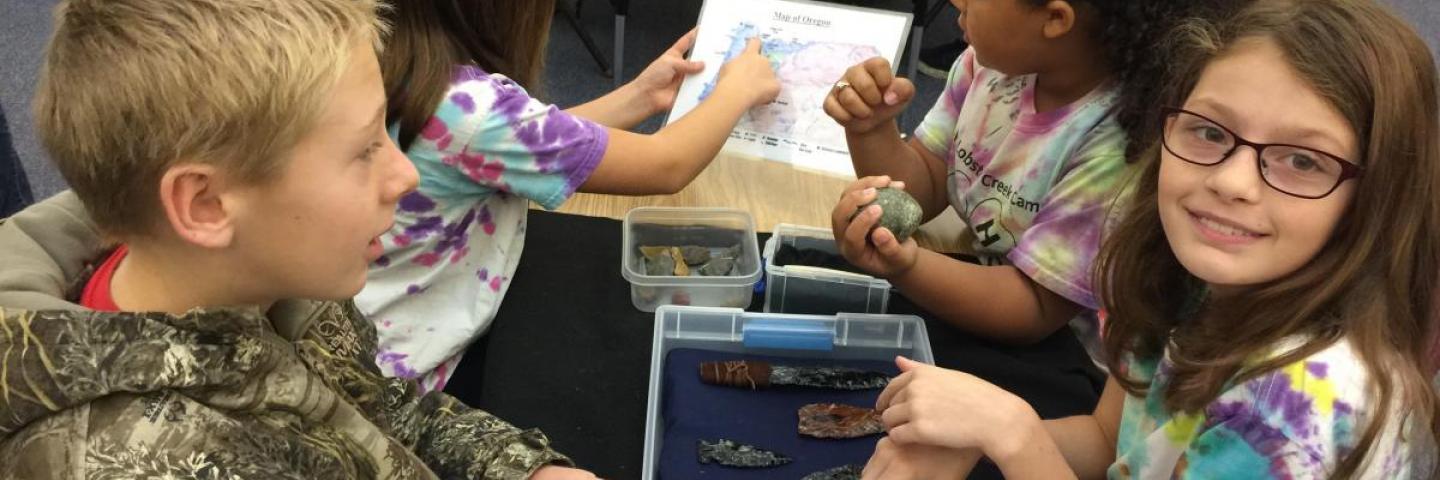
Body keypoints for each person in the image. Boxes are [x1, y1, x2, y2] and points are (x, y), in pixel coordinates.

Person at [0, 0, 599, 477]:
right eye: (365, 149)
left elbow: (383, 414)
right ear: (205, 206)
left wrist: (522, 468)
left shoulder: (280, 279)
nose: (405, 175)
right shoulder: (136, 461)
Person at [861, 0, 1440, 477]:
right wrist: (975, 439)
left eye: (1303, 161)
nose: (1231, 182)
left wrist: (1011, 434)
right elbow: (1109, 439)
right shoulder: (1185, 276)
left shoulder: (1288, 417)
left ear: (1379, 190)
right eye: (1210, 131)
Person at [358, 0, 781, 392]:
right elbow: (668, 164)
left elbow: (521, 145)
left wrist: (638, 96)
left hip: (375, 317)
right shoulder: (473, 108)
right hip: (412, 370)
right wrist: (737, 90)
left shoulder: (388, 57)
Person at [823, 0, 1236, 358]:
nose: (955, 5)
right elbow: (926, 184)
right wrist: (871, 128)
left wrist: (905, 266)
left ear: (1055, 18)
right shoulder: (992, 64)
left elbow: (1034, 310)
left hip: (1063, 351)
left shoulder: (1117, 146)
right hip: (976, 281)